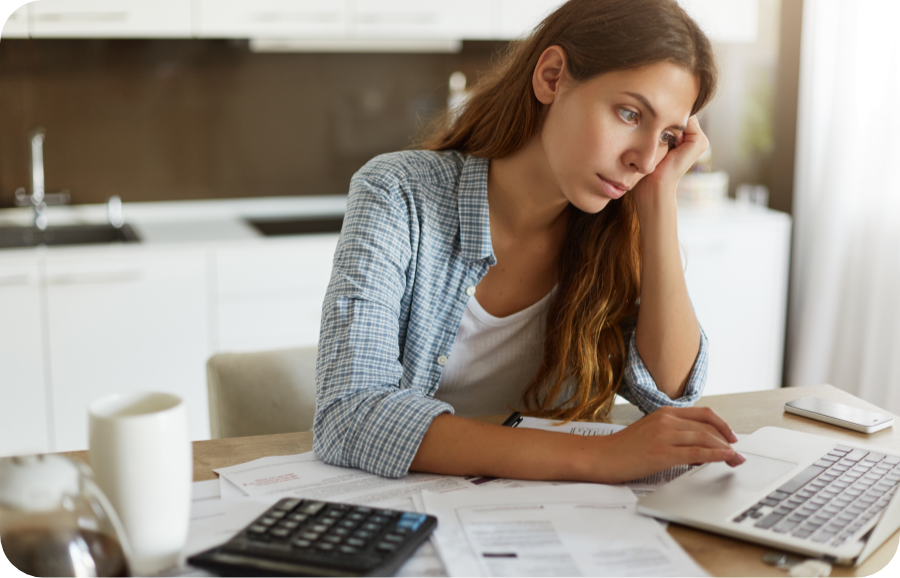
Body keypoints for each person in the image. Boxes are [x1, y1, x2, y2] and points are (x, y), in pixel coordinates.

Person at [313, 0, 746, 483]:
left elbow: (671, 392)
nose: (644, 158)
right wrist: (599, 458)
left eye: (667, 135)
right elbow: (348, 417)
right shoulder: (398, 193)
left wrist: (661, 197)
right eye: (629, 113)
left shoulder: (615, 228)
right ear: (552, 76)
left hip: (553, 521)